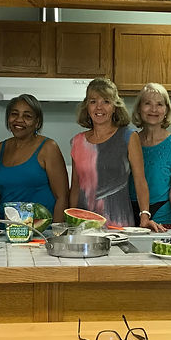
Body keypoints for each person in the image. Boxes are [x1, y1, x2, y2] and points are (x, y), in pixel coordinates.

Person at [69, 78, 158, 231]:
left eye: (106, 101)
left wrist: (145, 215)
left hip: (119, 223)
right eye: (93, 101)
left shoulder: (129, 137)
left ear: (115, 107)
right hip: (83, 226)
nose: (99, 107)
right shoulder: (77, 142)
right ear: (87, 107)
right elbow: (75, 187)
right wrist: (70, 221)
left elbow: (140, 180)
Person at [0, 94, 69, 221]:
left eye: (27, 116)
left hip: (40, 233)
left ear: (37, 122)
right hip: (5, 231)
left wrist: (56, 234)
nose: (19, 120)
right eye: (14, 114)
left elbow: (62, 197)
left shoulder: (48, 148)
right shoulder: (1, 148)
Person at [129, 84, 171, 231]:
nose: (154, 109)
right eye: (148, 103)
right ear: (139, 108)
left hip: (162, 217)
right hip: (128, 214)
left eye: (159, 104)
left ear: (166, 110)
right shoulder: (128, 141)